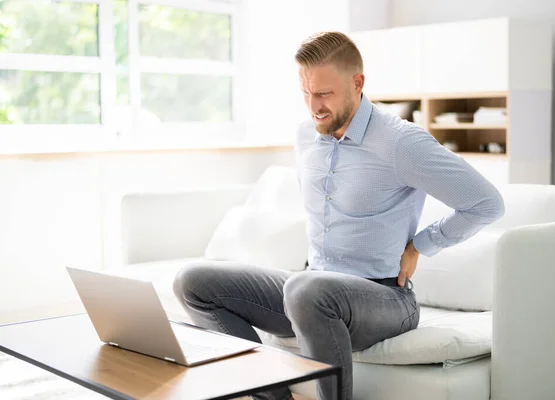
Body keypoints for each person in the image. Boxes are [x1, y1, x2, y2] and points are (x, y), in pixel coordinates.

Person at [173, 31, 505, 400]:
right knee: (193, 281)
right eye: (305, 92)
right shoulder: (305, 136)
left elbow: (485, 202)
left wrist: (419, 246)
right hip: (312, 291)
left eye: (324, 94)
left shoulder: (400, 142)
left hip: (384, 299)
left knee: (305, 290)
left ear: (357, 83)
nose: (313, 106)